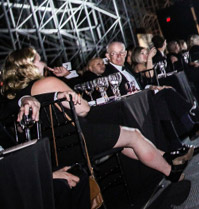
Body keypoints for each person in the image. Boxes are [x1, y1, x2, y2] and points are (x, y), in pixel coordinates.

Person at [1, 47, 189, 181]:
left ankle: (167, 157)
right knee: (133, 135)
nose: (43, 62)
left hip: (55, 152)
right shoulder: (45, 83)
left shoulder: (15, 98)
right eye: (38, 60)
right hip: (79, 140)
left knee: (122, 140)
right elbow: (84, 108)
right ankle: (171, 171)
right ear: (28, 66)